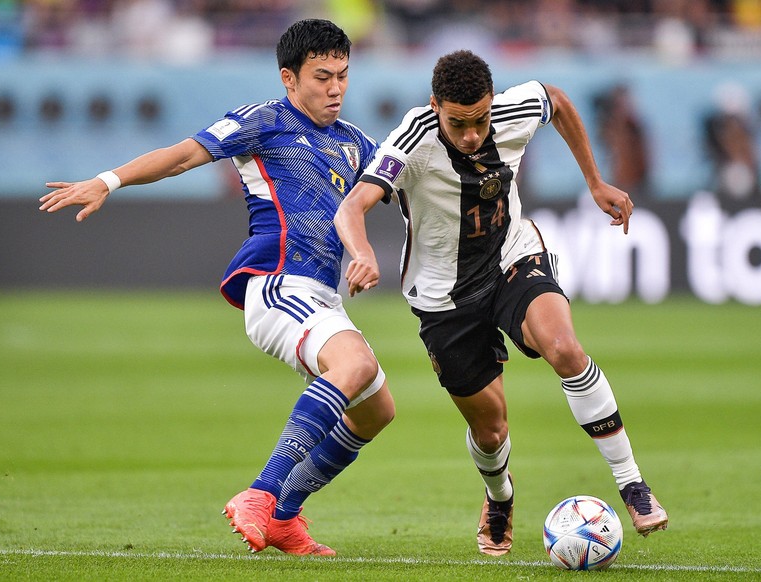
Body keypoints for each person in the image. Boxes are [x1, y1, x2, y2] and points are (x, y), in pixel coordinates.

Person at [39, 19, 395, 557]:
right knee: (357, 367)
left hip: (322, 296)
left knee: (376, 411)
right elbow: (184, 155)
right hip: (277, 283)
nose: (336, 88)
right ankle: (261, 494)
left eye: (343, 76)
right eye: (322, 76)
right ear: (289, 78)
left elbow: (403, 186)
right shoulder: (264, 121)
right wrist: (108, 181)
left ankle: (283, 517)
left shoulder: (355, 142)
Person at [335, 49, 667, 556]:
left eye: (481, 120)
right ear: (434, 107)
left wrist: (594, 182)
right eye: (458, 123)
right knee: (491, 431)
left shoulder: (513, 109)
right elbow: (352, 206)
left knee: (565, 349)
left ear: (493, 105)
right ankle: (500, 495)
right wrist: (361, 254)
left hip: (512, 257)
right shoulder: (410, 140)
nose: (471, 134)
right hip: (443, 296)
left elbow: (555, 100)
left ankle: (632, 484)